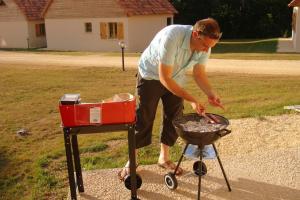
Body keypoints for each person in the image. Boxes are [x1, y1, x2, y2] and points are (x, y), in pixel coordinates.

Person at [118, 18, 224, 180]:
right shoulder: (172, 36)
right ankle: (131, 161)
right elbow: (164, 78)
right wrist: (192, 100)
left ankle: (164, 157)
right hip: (151, 75)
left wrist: (211, 93)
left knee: (174, 117)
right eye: (204, 46)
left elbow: (199, 73)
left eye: (209, 48)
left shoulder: (205, 44)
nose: (205, 51)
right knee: (144, 117)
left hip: (177, 78)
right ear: (196, 34)